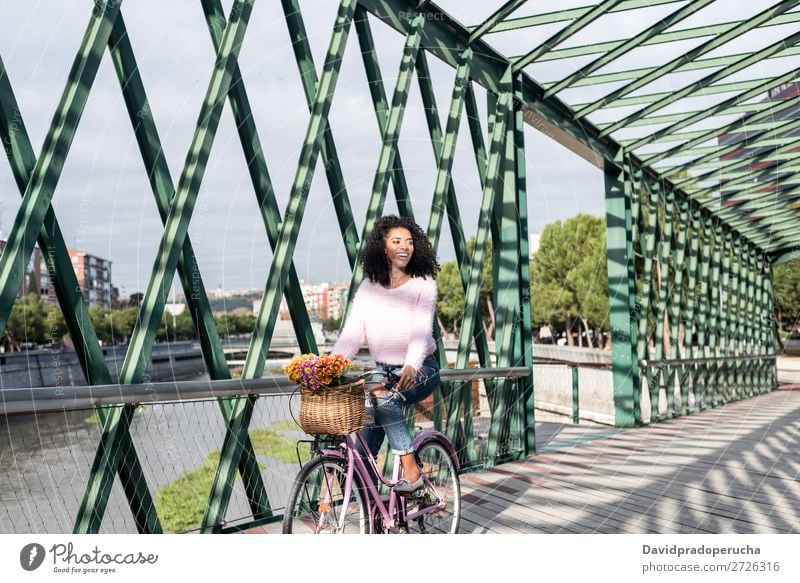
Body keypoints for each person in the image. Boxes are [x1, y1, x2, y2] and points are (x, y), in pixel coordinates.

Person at [332, 215, 440, 496]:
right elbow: (352, 335)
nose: (405, 247)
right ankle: (376, 515)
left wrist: (411, 365)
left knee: (382, 397)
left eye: (409, 242)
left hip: (422, 367)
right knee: (364, 443)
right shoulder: (369, 289)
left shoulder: (423, 284)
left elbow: (420, 331)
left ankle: (412, 468)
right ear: (383, 248)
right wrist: (330, 366)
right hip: (382, 371)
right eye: (396, 242)